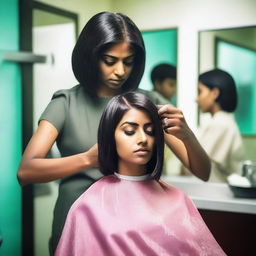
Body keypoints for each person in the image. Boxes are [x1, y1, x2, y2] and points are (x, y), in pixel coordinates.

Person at [17, 12, 210, 254]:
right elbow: (26, 172)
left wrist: (186, 134)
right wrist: (87, 159)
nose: (120, 71)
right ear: (91, 56)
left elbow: (203, 172)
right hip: (77, 226)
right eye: (110, 60)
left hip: (134, 227)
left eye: (128, 62)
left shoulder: (146, 102)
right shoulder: (65, 102)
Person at [55, 92, 226, 256]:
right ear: (110, 136)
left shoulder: (178, 200)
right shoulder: (88, 206)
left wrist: (187, 134)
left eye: (150, 131)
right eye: (130, 131)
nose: (143, 139)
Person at [195, 69, 245, 182]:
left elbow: (197, 163)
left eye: (200, 92)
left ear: (215, 93)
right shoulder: (222, 121)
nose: (196, 99)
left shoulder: (221, 124)